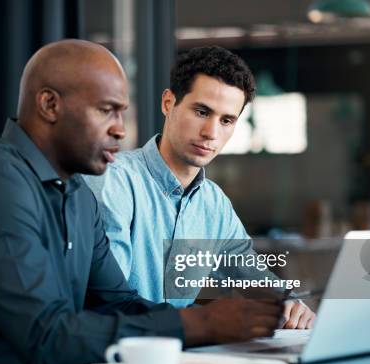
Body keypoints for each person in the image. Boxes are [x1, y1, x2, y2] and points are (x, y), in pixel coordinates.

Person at [0, 39, 284, 364]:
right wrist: (202, 323)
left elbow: (120, 302)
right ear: (49, 105)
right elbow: (45, 337)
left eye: (122, 112)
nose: (121, 129)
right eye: (106, 110)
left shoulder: (75, 194)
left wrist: (236, 318)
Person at [85, 46, 315, 329]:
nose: (211, 133)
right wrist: (204, 322)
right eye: (202, 111)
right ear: (168, 103)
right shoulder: (114, 181)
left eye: (226, 120)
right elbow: (110, 301)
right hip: (124, 358)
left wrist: (288, 302)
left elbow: (250, 272)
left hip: (186, 359)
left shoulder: (214, 205)